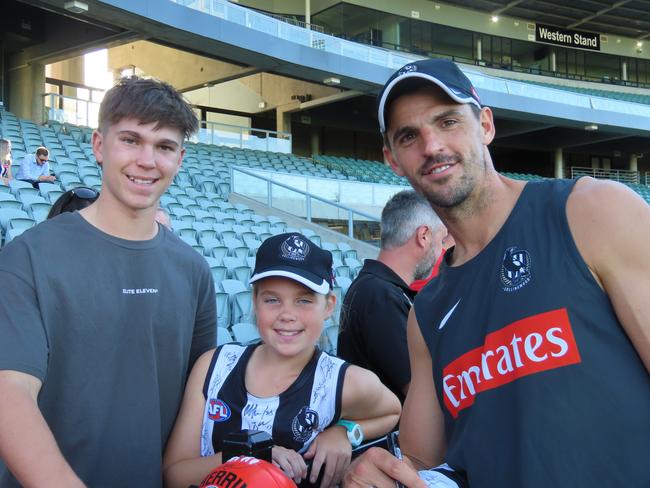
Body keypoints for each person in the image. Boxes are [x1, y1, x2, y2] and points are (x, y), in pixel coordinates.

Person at [343, 58, 650, 487]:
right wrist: (381, 476)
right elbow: (420, 462)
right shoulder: (426, 314)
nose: (431, 146)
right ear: (392, 159)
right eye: (409, 136)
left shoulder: (593, 211)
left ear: (485, 125)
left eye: (447, 121)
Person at [0, 76, 216, 487]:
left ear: (180, 159)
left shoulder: (193, 271)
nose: (147, 160)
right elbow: (9, 394)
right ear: (100, 146)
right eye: (131, 140)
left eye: (164, 147)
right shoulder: (27, 257)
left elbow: (197, 404)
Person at [163, 232, 401, 488]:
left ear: (329, 305)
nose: (287, 314)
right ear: (255, 301)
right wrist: (249, 457)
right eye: (272, 299)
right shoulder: (213, 366)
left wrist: (345, 432)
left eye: (304, 300)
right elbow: (173, 474)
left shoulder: (343, 381)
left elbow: (392, 411)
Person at [337, 190, 447, 402]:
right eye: (441, 241)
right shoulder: (380, 296)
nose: (440, 251)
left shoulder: (376, 288)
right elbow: (422, 391)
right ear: (423, 236)